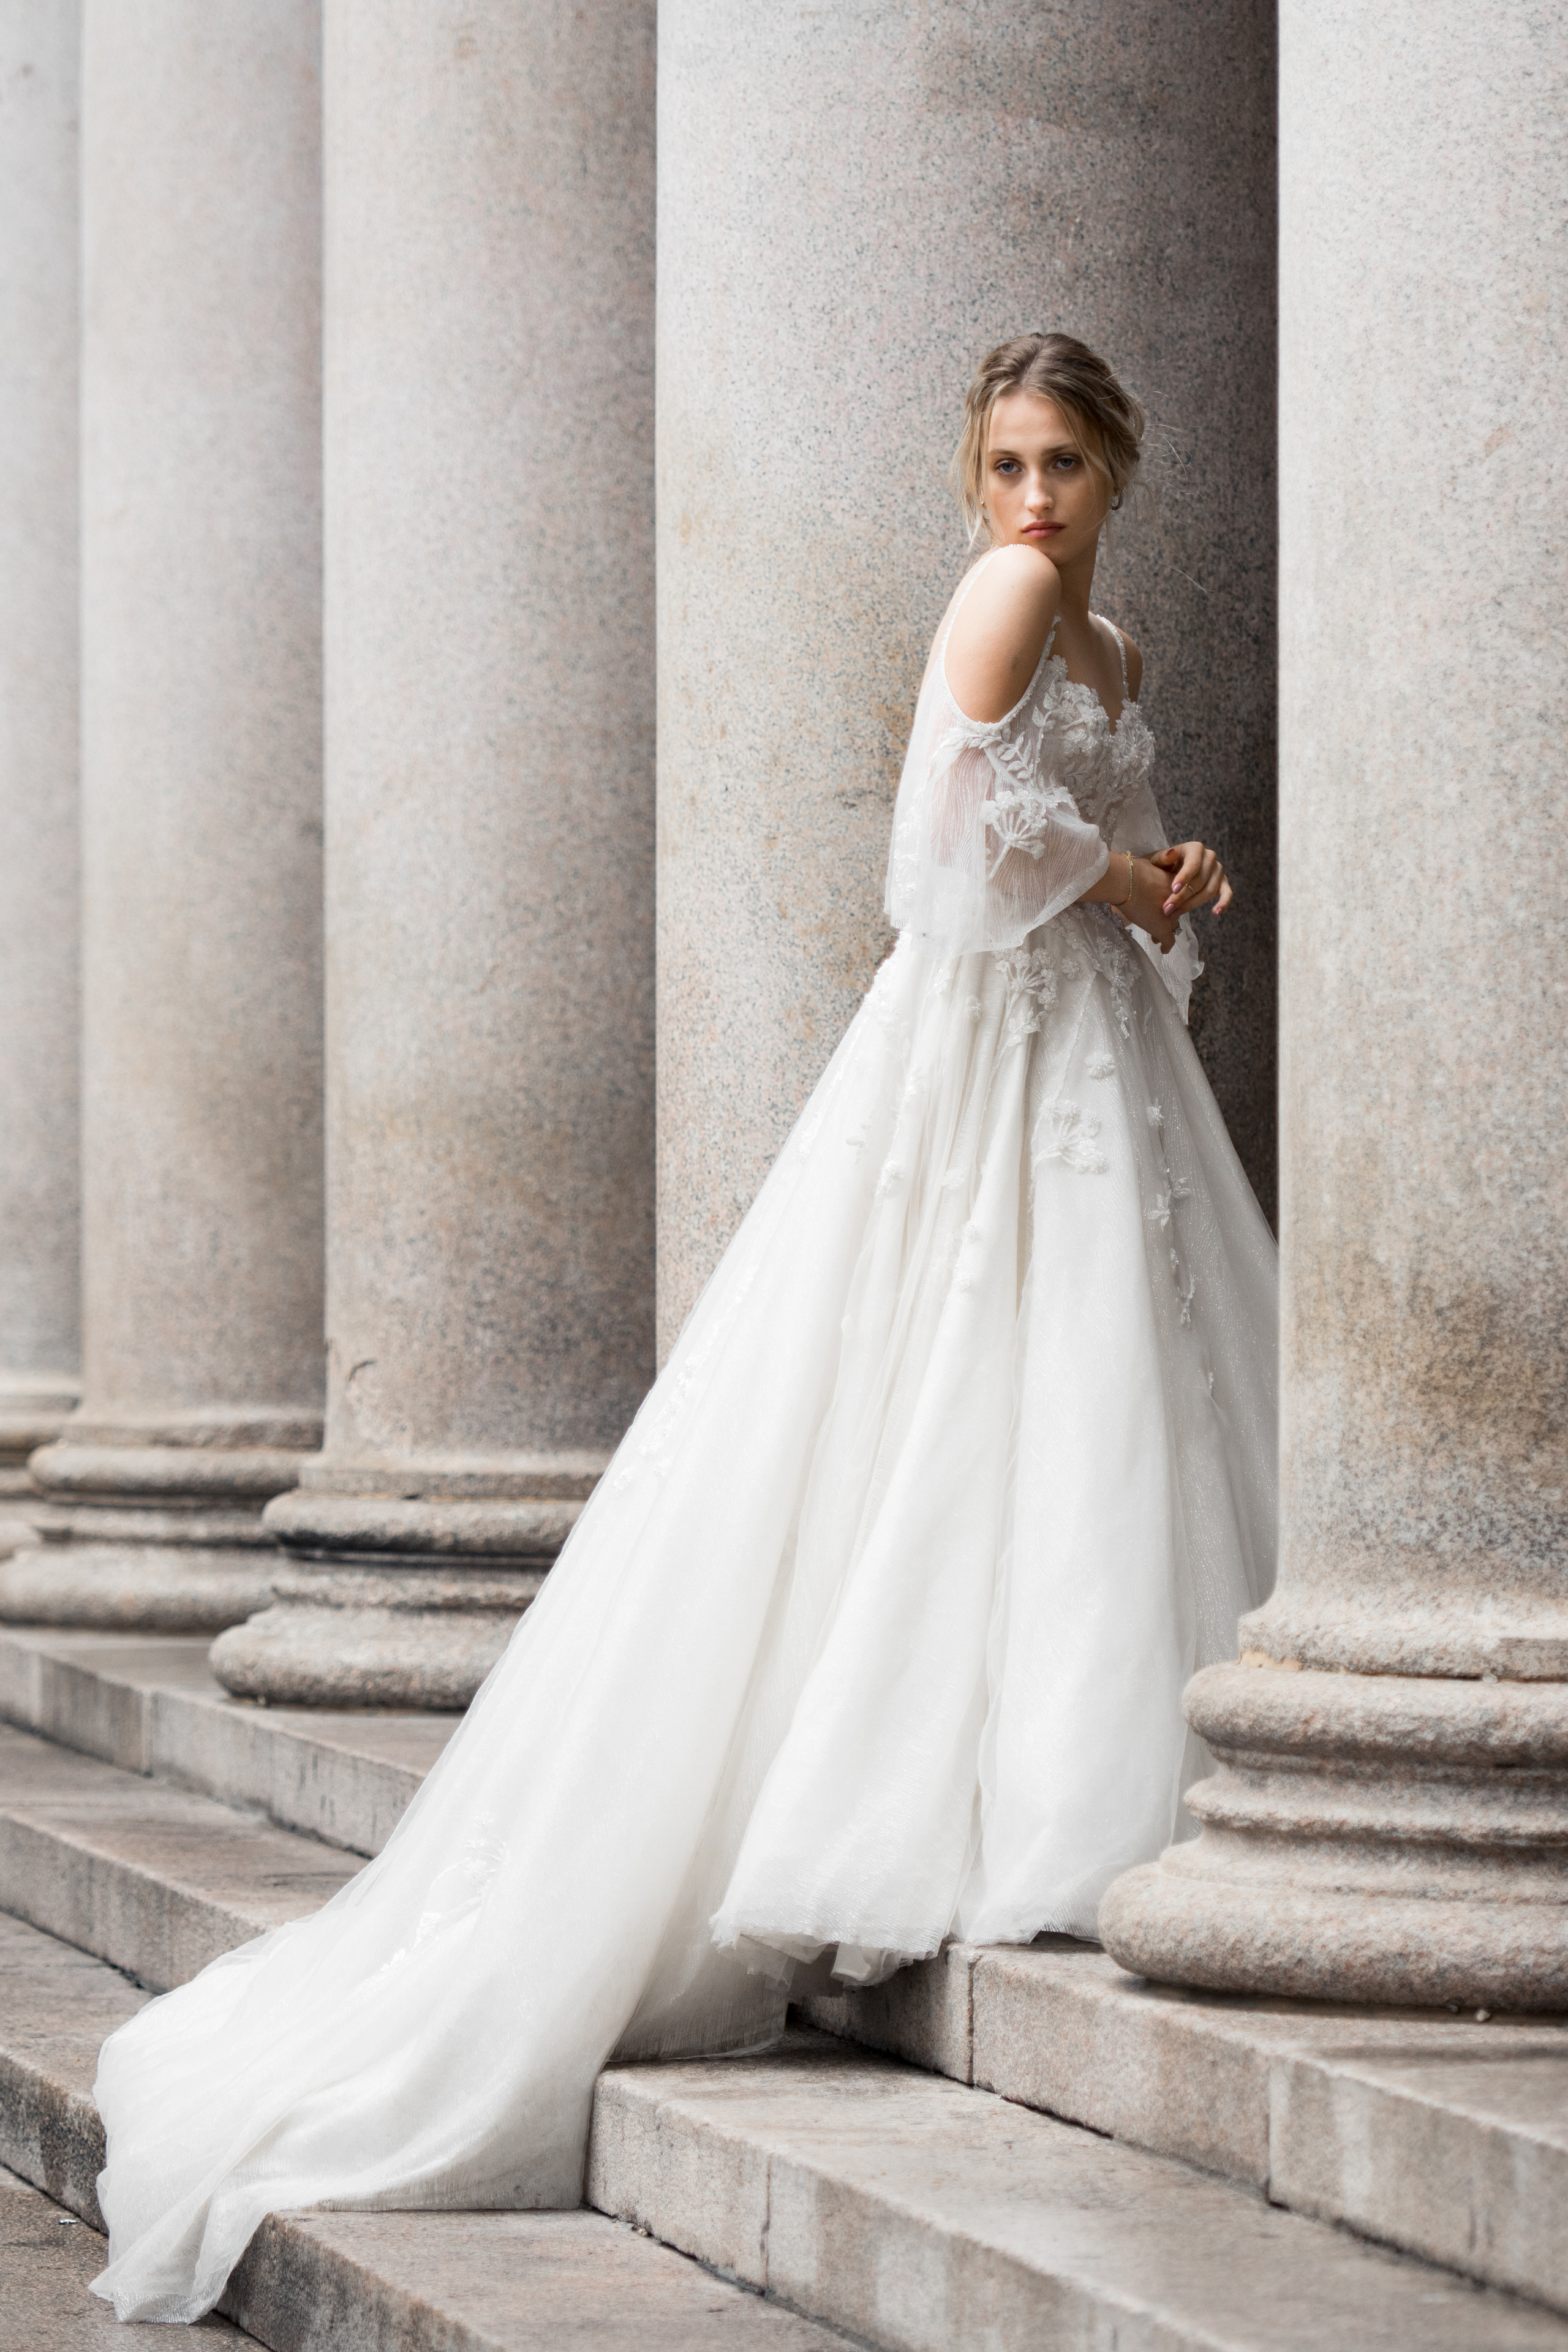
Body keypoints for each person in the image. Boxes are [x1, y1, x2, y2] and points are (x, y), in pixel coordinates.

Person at [92, 333, 1276, 2324]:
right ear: (974, 473)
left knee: (1083, 1408)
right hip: (984, 1047)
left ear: (1121, 469)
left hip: (1085, 1052)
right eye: (1006, 459)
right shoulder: (999, 597)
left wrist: (1157, 892)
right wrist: (1128, 871)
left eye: (1066, 461)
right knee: (977, 1392)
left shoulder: (1122, 646)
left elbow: (1060, 835)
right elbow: (945, 854)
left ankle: (1046, 1790)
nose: (1035, 498)